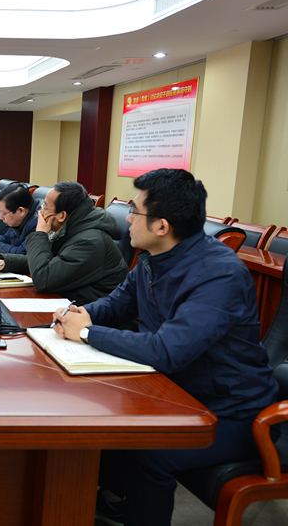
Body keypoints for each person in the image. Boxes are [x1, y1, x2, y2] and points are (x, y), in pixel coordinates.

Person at [51, 169, 278, 526]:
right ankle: (94, 506)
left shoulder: (218, 274)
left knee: (148, 454)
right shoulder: (154, 259)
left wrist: (88, 333)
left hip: (232, 413)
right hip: (177, 394)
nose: (127, 218)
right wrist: (77, 315)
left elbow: (167, 350)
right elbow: (116, 305)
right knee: (94, 427)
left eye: (134, 211)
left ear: (161, 226)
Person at [0, 181, 127, 305]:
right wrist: (7, 263)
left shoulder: (89, 241)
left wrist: (40, 234)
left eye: (45, 207)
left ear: (61, 215)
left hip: (91, 314)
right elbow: (50, 262)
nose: (40, 212)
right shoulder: (71, 228)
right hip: (68, 302)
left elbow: (43, 279)